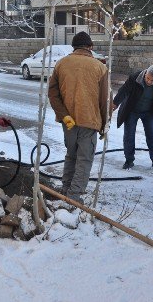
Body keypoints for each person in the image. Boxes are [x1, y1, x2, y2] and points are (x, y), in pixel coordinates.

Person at [48, 31, 109, 203]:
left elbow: (53, 94)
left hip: (68, 122)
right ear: (90, 47)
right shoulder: (100, 67)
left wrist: (64, 115)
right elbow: (104, 100)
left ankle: (66, 188)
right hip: (89, 121)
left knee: (71, 155)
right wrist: (105, 125)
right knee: (84, 158)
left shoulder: (61, 64)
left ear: (73, 47)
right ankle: (74, 196)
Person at [112, 65, 153, 170]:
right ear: (145, 74)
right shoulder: (135, 78)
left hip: (149, 112)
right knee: (129, 136)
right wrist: (115, 103)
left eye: (152, 80)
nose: (149, 81)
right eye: (148, 78)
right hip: (131, 110)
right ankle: (129, 160)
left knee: (152, 136)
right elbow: (123, 90)